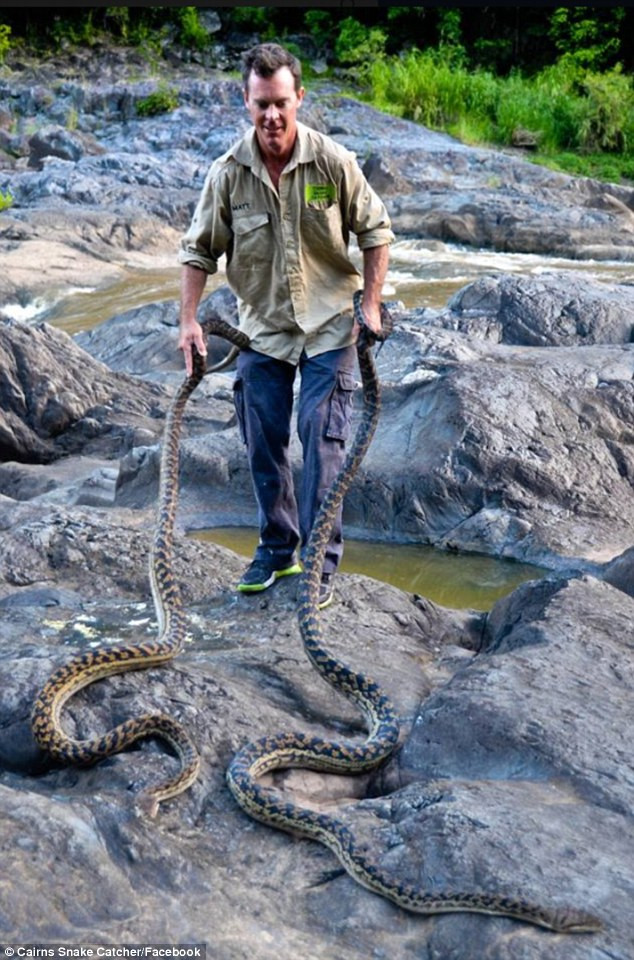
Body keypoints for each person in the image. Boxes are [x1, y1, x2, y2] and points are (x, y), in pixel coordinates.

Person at [178, 42, 393, 608]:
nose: (271, 116)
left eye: (280, 103)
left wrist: (371, 305)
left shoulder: (332, 162)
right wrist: (188, 321)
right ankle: (278, 548)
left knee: (320, 436)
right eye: (261, 105)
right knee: (261, 435)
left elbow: (376, 231)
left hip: (331, 324)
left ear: (299, 97)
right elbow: (198, 251)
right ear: (245, 101)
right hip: (264, 328)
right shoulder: (228, 174)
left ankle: (319, 563)